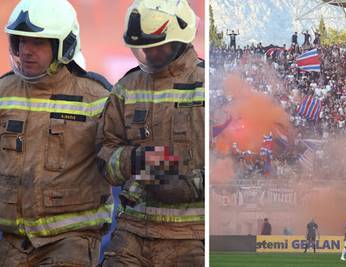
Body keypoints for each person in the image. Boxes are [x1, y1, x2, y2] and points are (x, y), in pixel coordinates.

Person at [0, 0, 113, 266]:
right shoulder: (4, 92)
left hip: (71, 241)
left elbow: (124, 159)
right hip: (12, 242)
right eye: (21, 41)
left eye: (38, 43)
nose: (26, 51)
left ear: (64, 45)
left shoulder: (97, 97)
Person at [98, 0, 205, 266]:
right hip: (132, 231)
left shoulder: (207, 85)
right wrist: (135, 159)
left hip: (191, 236)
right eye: (143, 47)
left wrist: (193, 183)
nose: (149, 54)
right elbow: (104, 156)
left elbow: (232, 163)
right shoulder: (127, 87)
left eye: (157, 46)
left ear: (180, 39)